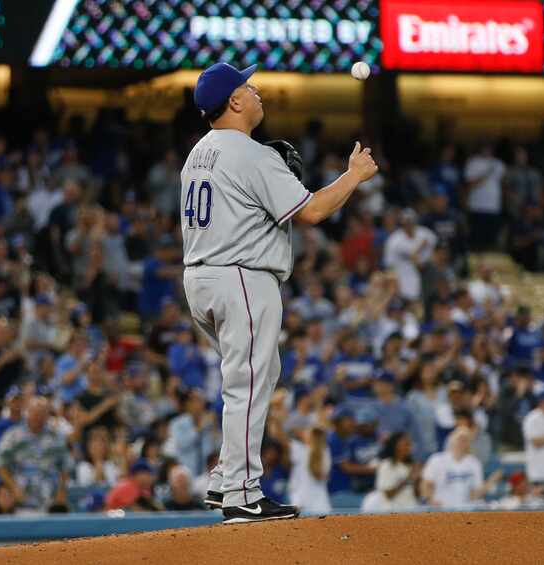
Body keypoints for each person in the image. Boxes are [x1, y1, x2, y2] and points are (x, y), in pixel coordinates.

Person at [182, 62, 377, 523]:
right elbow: (311, 213)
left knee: (256, 377)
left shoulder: (197, 154)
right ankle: (242, 493)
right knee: (249, 382)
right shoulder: (251, 154)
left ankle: (225, 477)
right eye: (248, 88)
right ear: (233, 101)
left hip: (202, 278)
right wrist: (353, 176)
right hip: (242, 277)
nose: (257, 92)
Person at [0, 396, 73, 512]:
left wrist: (61, 492)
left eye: (42, 413)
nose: (38, 417)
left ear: (47, 415)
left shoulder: (57, 437)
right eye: (35, 413)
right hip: (20, 502)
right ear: (27, 412)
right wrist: (13, 487)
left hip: (50, 503)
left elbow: (67, 466)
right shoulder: (13, 436)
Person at [420, 427, 502, 509]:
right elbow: (426, 483)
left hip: (465, 509)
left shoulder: (474, 463)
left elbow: (473, 495)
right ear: (451, 439)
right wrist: (430, 500)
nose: (461, 442)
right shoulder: (436, 459)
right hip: (441, 508)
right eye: (459, 438)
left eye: (465, 439)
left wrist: (490, 482)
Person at [362, 432, 420, 513]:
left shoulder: (411, 465)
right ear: (396, 446)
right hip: (393, 511)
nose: (409, 447)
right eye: (406, 444)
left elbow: (417, 494)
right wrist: (408, 479)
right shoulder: (386, 465)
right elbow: (388, 495)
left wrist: (417, 480)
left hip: (412, 508)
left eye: (409, 444)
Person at [288, 426, 331, 515]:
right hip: (315, 502)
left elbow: (320, 476)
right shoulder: (325, 451)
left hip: (308, 501)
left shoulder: (301, 450)